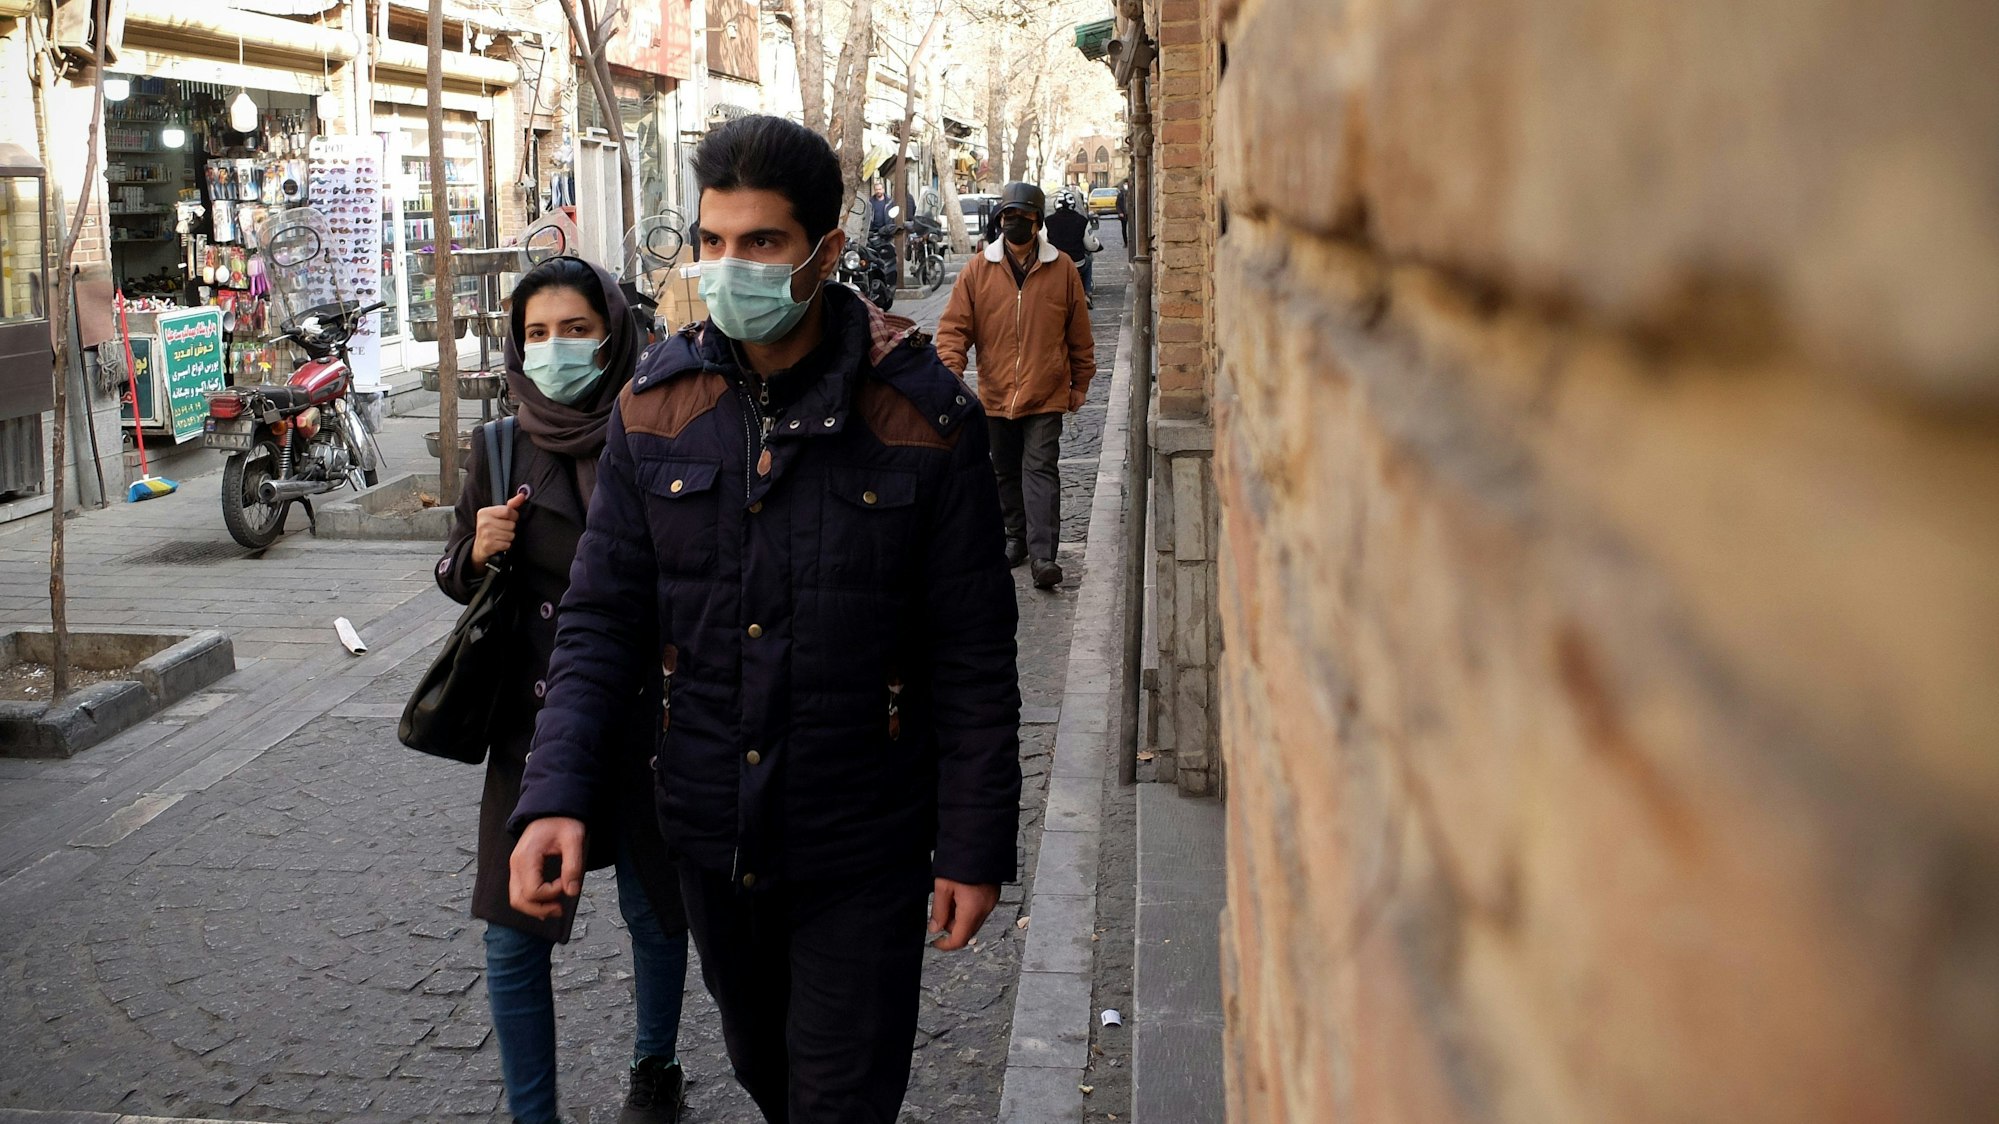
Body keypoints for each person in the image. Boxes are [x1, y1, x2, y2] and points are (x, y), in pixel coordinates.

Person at [506, 115, 1022, 1124]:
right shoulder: (655, 411)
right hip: (708, 828)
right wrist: (555, 792)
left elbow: (971, 653)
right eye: (711, 242)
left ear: (825, 252)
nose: (727, 266)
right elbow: (601, 619)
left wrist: (973, 841)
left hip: (861, 841)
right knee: (765, 1068)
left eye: (760, 243)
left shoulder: (923, 418)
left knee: (840, 1094)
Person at [434, 256, 691, 1124]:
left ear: (612, 332)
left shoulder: (657, 428)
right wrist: (477, 548)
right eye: (537, 334)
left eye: (576, 330)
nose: (556, 349)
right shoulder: (501, 444)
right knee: (512, 937)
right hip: (533, 727)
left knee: (655, 914)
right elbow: (450, 573)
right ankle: (531, 1114)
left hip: (647, 721)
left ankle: (655, 1068)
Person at [934, 181, 1097, 591]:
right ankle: (1015, 539)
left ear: (1037, 221)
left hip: (1046, 392)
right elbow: (954, 329)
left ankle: (1044, 556)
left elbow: (1079, 333)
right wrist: (951, 372)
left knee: (1040, 469)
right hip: (995, 394)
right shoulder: (977, 270)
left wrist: (1081, 380)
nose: (1015, 224)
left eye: (1023, 217)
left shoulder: (1061, 269)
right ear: (999, 220)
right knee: (1003, 471)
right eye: (1008, 216)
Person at [1043, 189, 1094, 300]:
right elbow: (1090, 245)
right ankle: (1087, 292)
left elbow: (1043, 242)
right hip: (1078, 262)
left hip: (1055, 262)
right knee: (1088, 261)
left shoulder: (1048, 221)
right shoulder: (1082, 220)